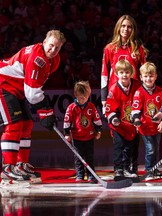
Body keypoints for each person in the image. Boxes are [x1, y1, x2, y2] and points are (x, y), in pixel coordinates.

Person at [0, 30, 66, 184]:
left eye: (57, 48)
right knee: (14, 124)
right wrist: (46, 112)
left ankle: (20, 164)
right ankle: (8, 168)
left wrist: (45, 112)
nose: (53, 50)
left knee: (27, 124)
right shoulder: (37, 59)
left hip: (17, 89)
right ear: (44, 42)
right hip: (3, 84)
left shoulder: (54, 60)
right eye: (51, 46)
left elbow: (33, 87)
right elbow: (32, 93)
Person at [101, 15, 148, 175]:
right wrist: (103, 98)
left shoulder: (139, 49)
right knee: (118, 133)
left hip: (134, 96)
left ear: (133, 29)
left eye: (129, 26)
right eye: (123, 26)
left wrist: (145, 96)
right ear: (118, 28)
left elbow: (144, 74)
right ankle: (119, 167)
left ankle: (132, 166)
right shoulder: (109, 48)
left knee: (134, 131)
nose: (126, 29)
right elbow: (104, 74)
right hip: (116, 96)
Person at [105, 59, 141, 179]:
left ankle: (129, 168)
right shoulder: (114, 89)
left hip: (132, 125)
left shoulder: (137, 85)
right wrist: (114, 119)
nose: (124, 75)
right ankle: (118, 169)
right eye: (121, 72)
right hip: (118, 126)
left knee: (131, 148)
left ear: (131, 73)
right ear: (116, 74)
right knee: (119, 146)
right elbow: (109, 109)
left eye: (127, 72)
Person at [131, 62, 162, 181]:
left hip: (156, 127)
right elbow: (135, 108)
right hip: (145, 127)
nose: (148, 79)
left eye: (151, 76)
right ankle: (148, 170)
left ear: (156, 76)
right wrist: (136, 119)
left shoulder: (160, 91)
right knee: (150, 149)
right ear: (141, 77)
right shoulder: (139, 92)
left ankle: (154, 169)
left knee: (156, 149)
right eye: (145, 76)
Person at [63, 81, 102, 183]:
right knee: (78, 157)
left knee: (89, 157)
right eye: (81, 97)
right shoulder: (71, 108)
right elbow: (67, 121)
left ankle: (91, 175)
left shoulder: (91, 107)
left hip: (89, 137)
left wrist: (98, 130)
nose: (83, 99)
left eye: (86, 97)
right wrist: (67, 134)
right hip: (77, 137)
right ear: (76, 95)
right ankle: (80, 174)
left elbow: (96, 119)